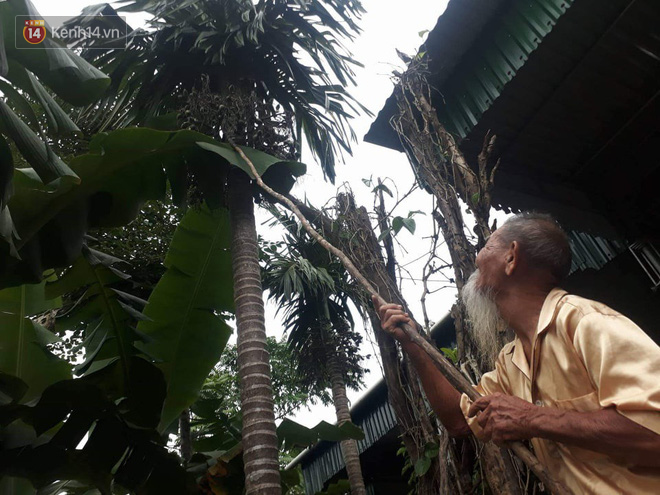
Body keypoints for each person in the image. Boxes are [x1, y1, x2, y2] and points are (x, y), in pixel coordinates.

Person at [373, 212, 660, 494]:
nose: (477, 258)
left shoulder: (587, 323)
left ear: (511, 257)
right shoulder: (510, 361)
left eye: (486, 246)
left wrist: (533, 419)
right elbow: (460, 421)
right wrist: (412, 344)